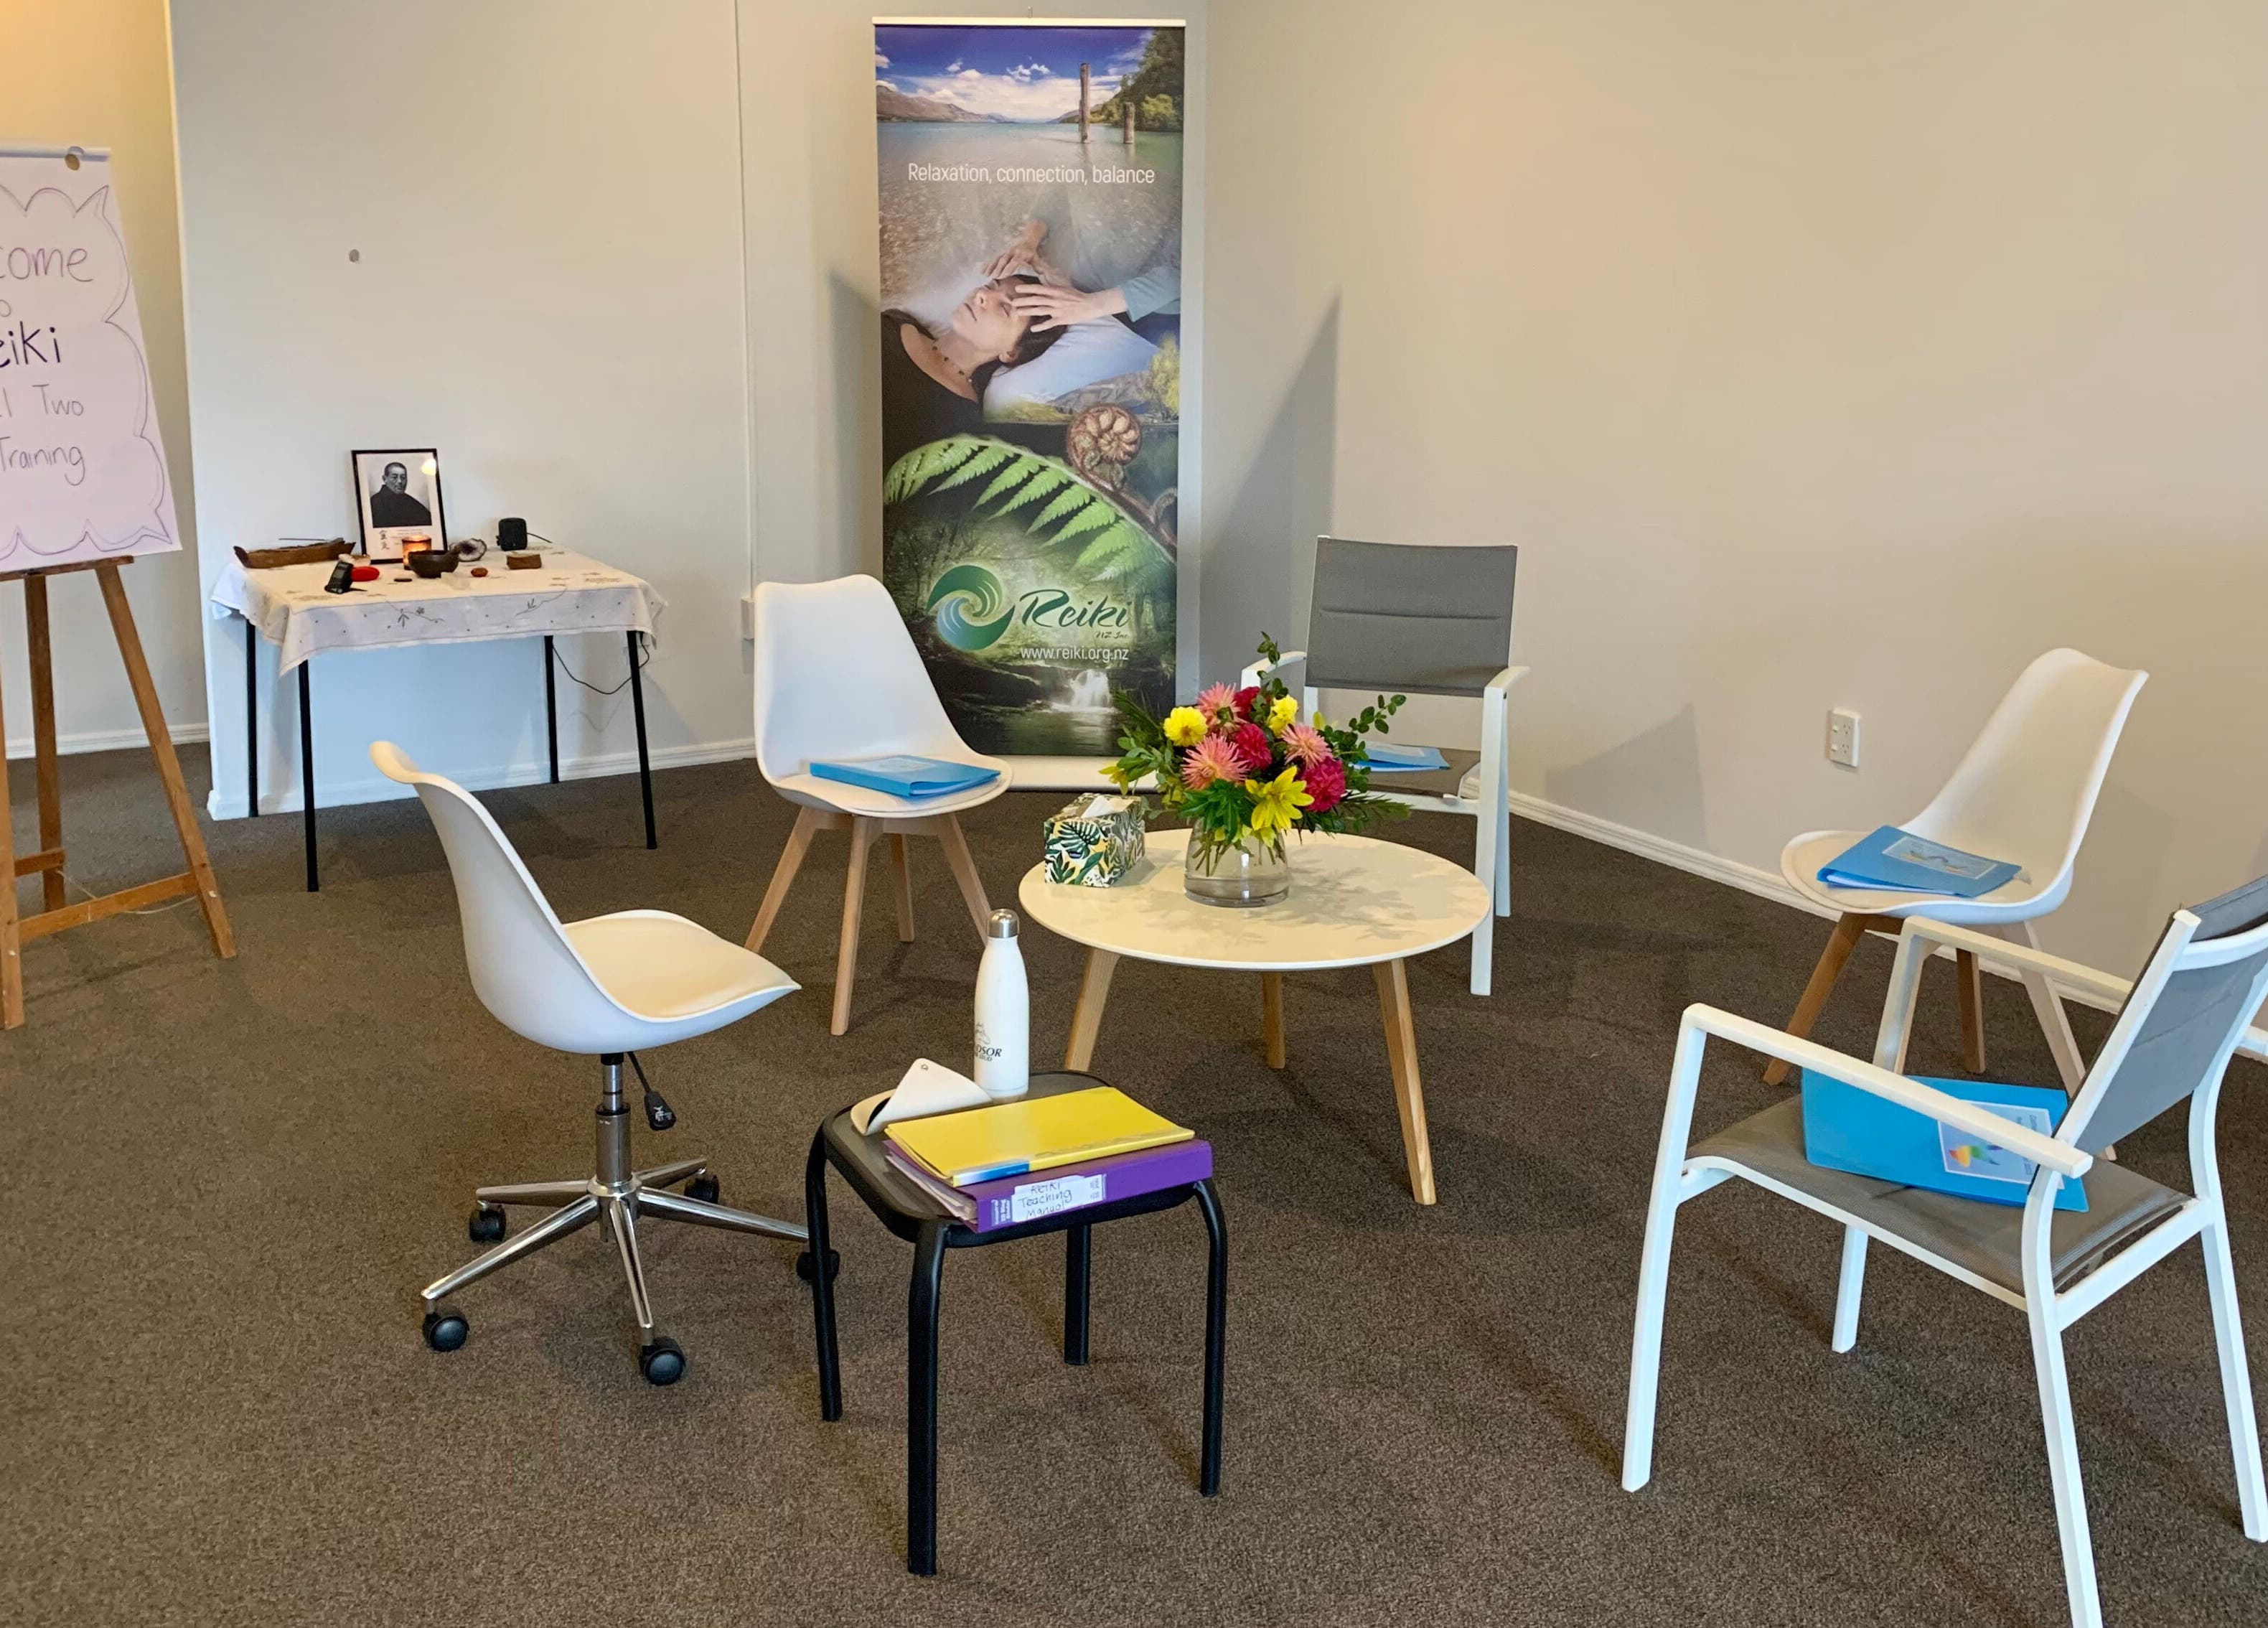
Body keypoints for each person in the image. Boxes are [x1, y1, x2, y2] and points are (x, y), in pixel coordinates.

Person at [880, 278, 1062, 464]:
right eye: (990, 286)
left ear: (1011, 352)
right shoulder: (899, 321)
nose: (982, 295)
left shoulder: (956, 424)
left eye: (1004, 308)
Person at [368, 462, 431, 528]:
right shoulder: (375, 503)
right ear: (385, 479)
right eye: (394, 477)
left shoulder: (411, 502)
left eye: (403, 477)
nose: (400, 481)